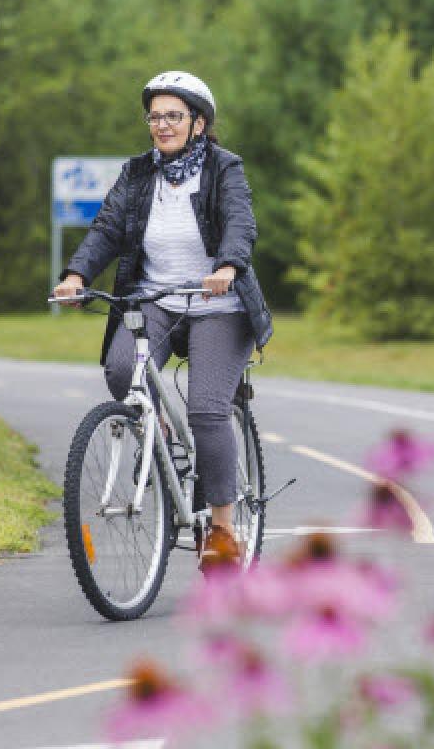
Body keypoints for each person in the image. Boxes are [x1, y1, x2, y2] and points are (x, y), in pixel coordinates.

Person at [53, 71, 273, 573]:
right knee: (119, 369)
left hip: (219, 304)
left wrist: (227, 267)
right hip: (158, 298)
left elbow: (240, 222)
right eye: (155, 116)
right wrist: (76, 273)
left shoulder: (224, 169)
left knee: (208, 411)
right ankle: (160, 441)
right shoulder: (137, 174)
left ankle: (219, 528)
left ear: (198, 123)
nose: (162, 125)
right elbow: (107, 227)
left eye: (173, 115)